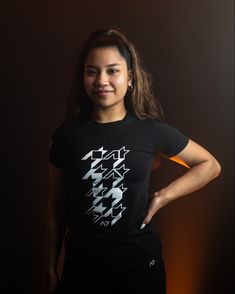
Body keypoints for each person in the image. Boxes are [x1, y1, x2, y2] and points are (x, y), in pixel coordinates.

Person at [48, 27, 221, 293]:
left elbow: (210, 165)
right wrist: (50, 268)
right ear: (83, 76)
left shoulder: (149, 130)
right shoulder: (66, 135)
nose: (101, 80)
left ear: (130, 78)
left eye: (113, 70)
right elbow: (55, 208)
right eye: (92, 71)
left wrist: (162, 196)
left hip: (140, 268)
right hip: (82, 270)